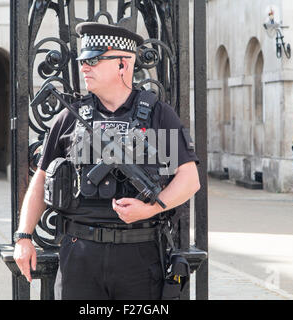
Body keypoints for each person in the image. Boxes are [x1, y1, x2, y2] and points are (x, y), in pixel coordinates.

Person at [13, 22, 200, 300]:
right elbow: (41, 179)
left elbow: (189, 180)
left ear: (123, 64)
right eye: (82, 61)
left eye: (94, 60)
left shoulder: (159, 115)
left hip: (140, 255)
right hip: (80, 254)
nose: (84, 67)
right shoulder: (69, 117)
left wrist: (149, 210)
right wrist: (24, 237)